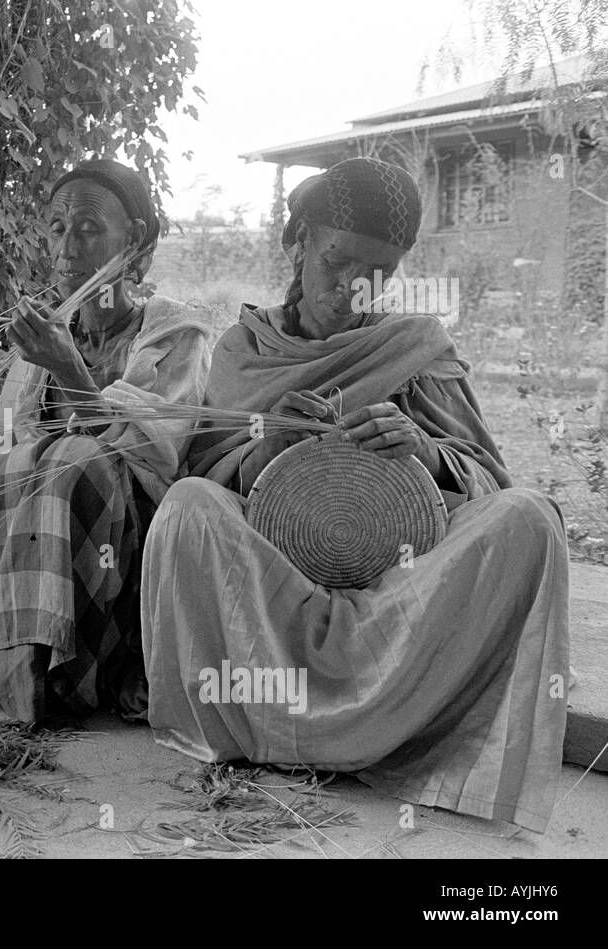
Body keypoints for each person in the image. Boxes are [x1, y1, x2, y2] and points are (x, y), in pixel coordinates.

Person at [140, 157, 570, 833]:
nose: (352, 288)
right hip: (272, 592)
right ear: (299, 241)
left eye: (380, 272)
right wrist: (266, 448)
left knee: (530, 520)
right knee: (188, 509)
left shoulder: (415, 346)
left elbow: (488, 476)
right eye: (336, 261)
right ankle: (257, 724)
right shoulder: (242, 351)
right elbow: (200, 473)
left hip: (396, 599)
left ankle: (402, 729)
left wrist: (426, 452)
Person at [0, 159, 213, 724]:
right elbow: (3, 447)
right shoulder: (44, 341)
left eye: (90, 229)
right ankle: (11, 663)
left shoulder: (173, 334)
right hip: (48, 539)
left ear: (135, 239)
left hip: (129, 550)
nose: (68, 248)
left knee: (70, 457)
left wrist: (71, 369)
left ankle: (75, 674)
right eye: (57, 228)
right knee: (30, 460)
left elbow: (149, 458)